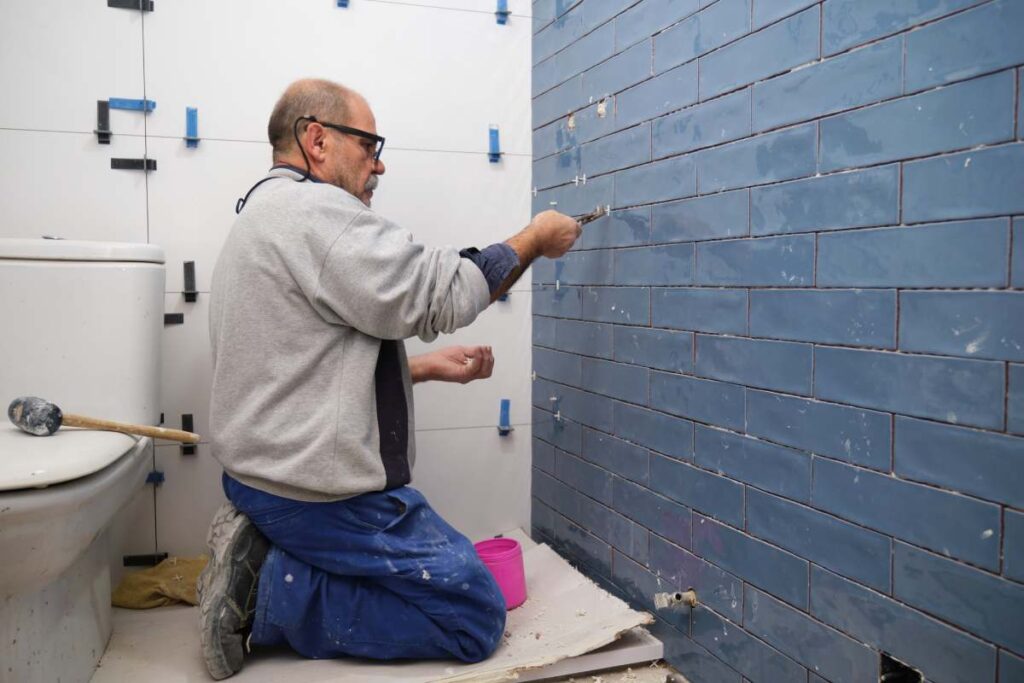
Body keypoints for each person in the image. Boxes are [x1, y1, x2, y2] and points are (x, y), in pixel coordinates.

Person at [198, 78, 582, 679]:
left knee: (442, 572)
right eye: (368, 143)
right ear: (317, 139)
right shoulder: (317, 213)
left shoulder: (263, 213)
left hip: (261, 478)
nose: (380, 163)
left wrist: (420, 369)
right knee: (473, 614)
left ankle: (267, 550)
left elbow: (300, 357)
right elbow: (445, 293)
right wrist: (534, 239)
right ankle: (265, 594)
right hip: (313, 496)